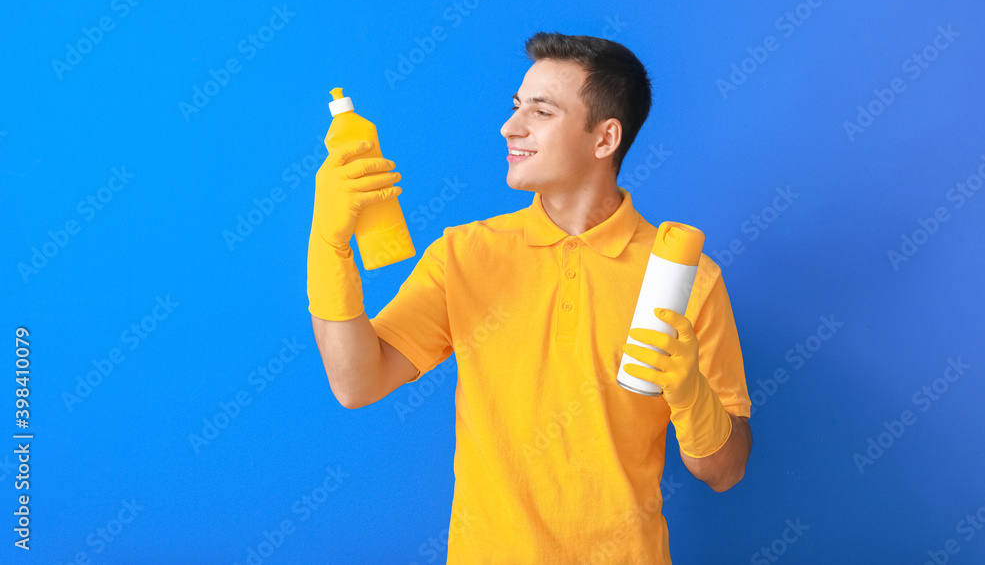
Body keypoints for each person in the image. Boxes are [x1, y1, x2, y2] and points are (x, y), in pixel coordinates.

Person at [307, 32, 753, 564]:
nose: (509, 127)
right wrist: (328, 245)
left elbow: (725, 472)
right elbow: (356, 383)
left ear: (604, 138)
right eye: (516, 106)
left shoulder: (688, 279)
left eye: (540, 112)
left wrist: (690, 391)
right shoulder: (464, 254)